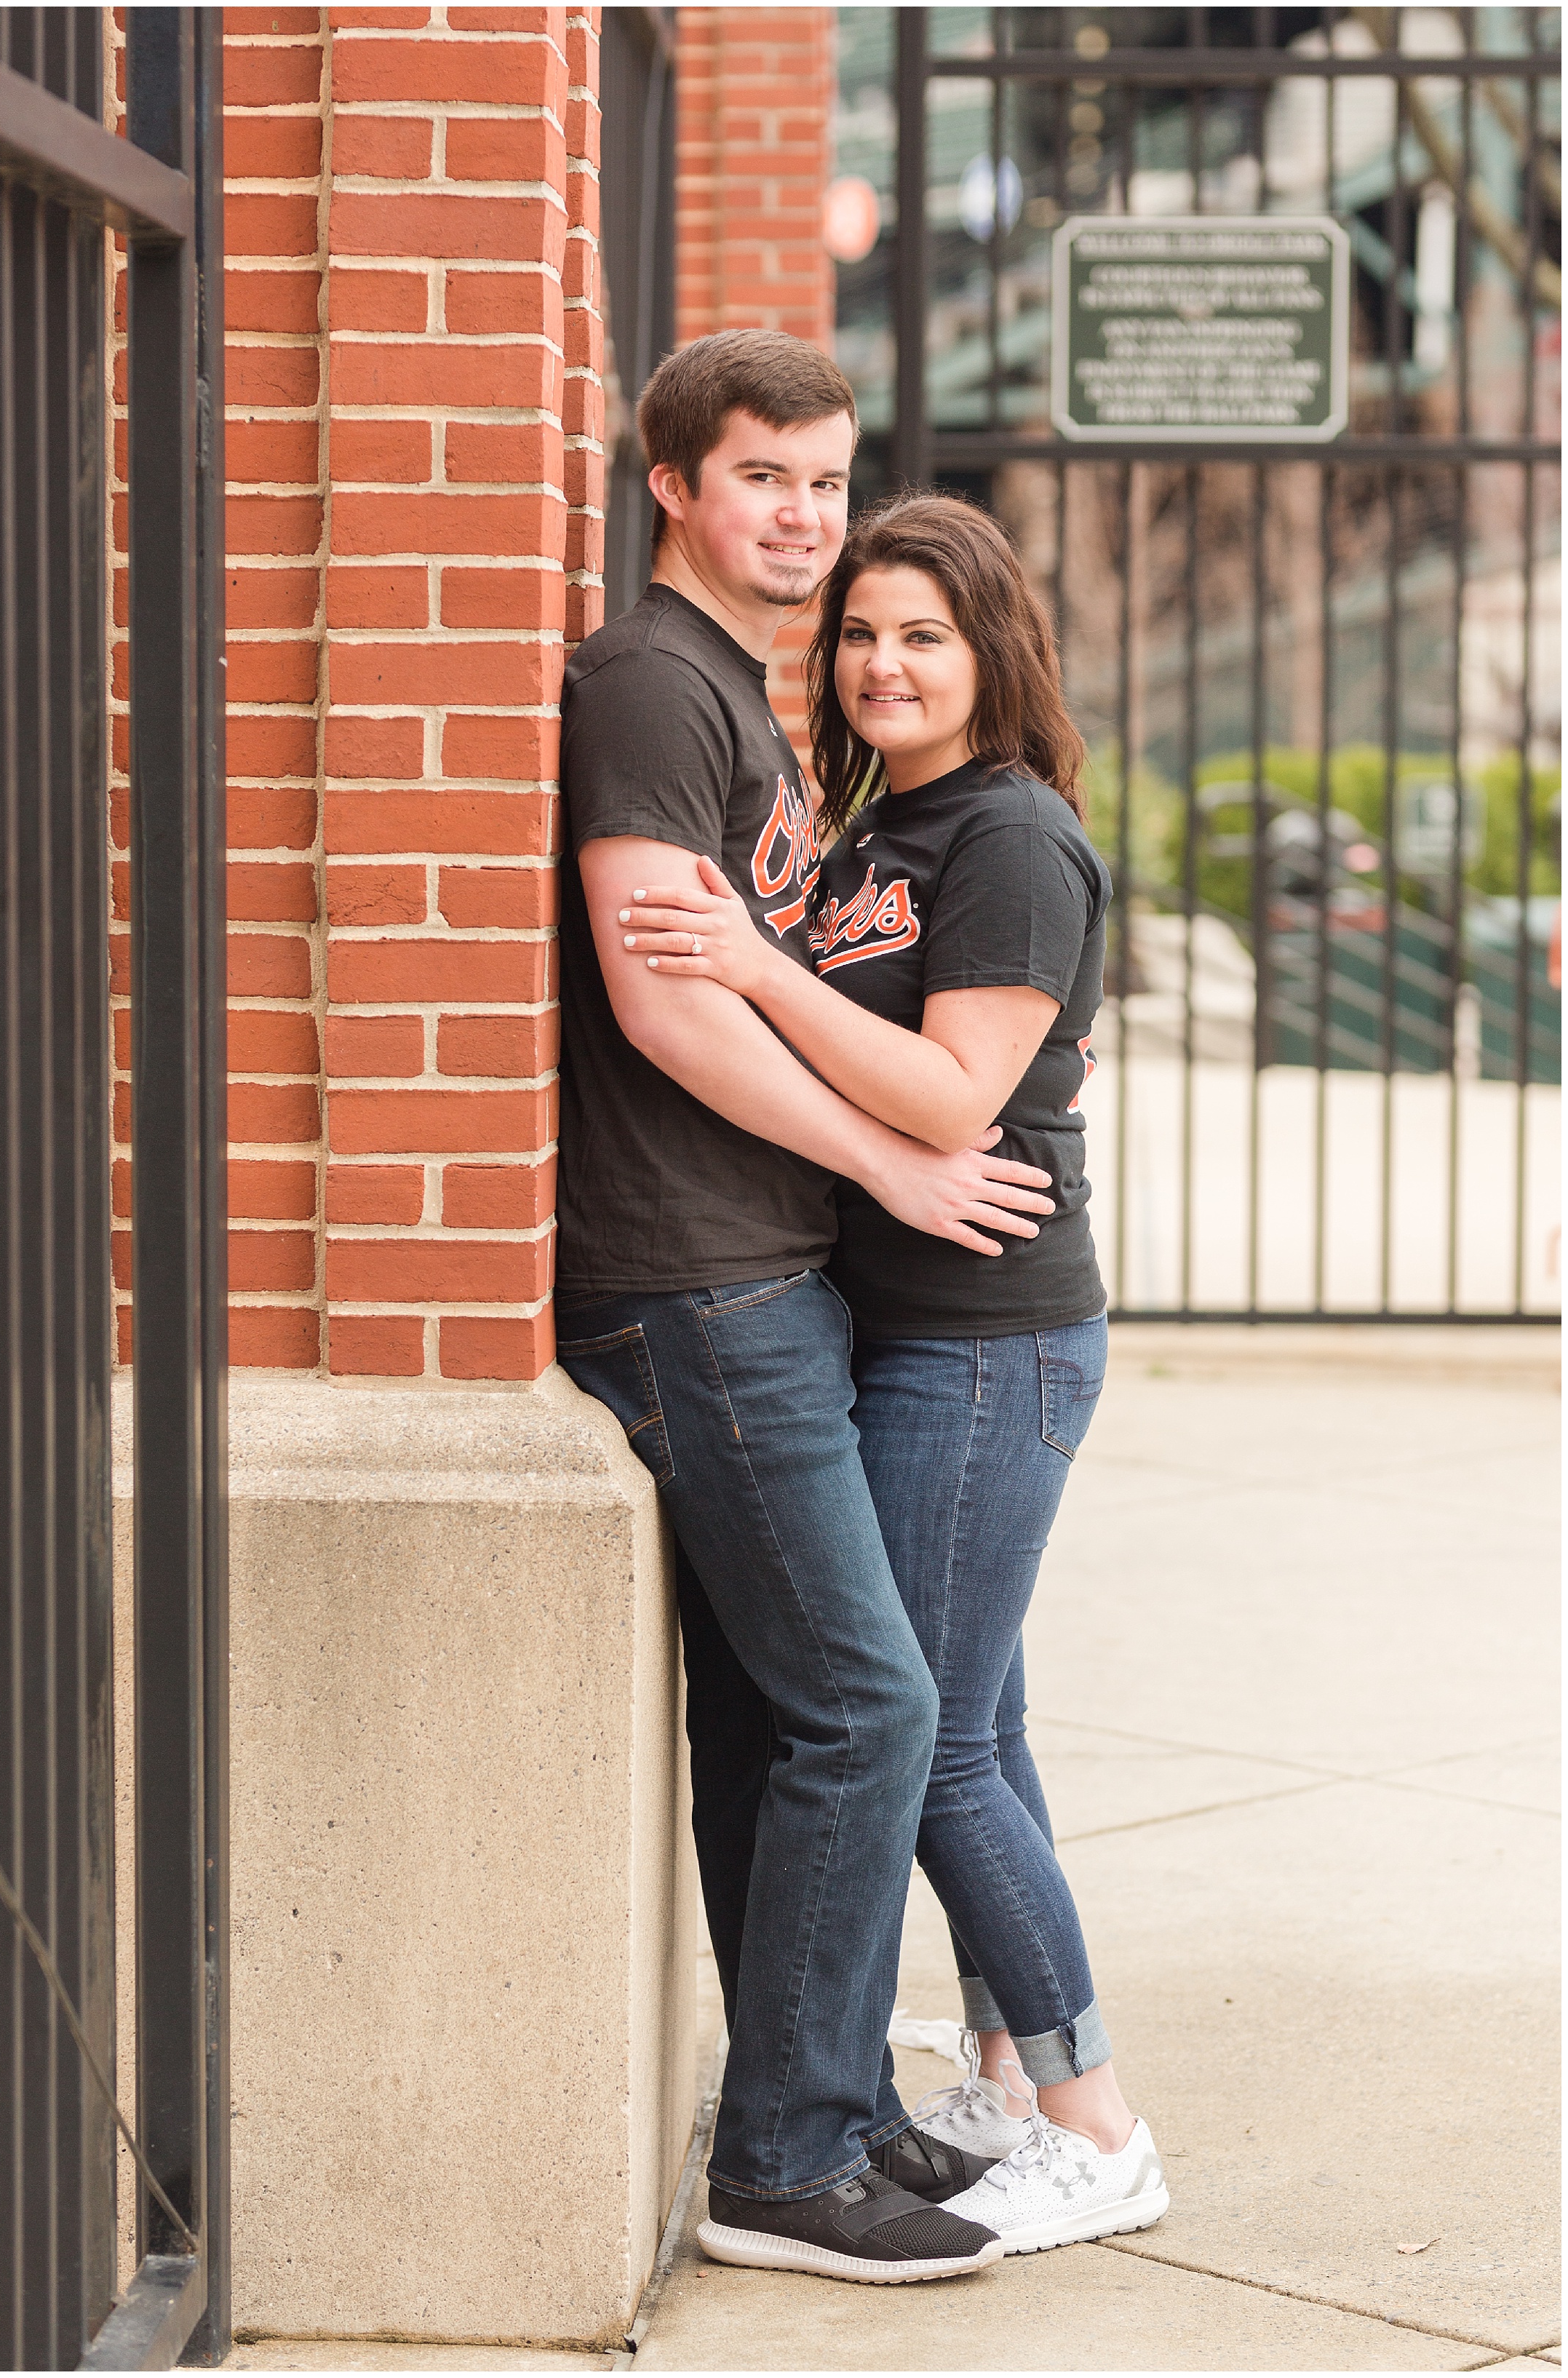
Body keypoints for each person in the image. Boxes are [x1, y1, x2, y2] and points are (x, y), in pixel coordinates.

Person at [554, 333, 1059, 2285]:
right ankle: (781, 2157)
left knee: (786, 1712)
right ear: (672, 478)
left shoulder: (747, 706)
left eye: (825, 479)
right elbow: (665, 997)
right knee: (874, 1699)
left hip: (763, 1275)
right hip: (694, 1278)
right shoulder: (643, 683)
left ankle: (824, 2103)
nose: (801, 515)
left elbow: (757, 963)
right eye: (763, 473)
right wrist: (889, 1163)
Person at [616, 491, 1169, 2256]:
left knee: (919, 1744)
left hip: (985, 1342)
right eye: (860, 632)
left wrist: (760, 970)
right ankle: (1011, 2082)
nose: (882, 662)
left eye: (922, 633)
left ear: (991, 650)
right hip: (904, 1331)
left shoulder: (1005, 835)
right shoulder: (883, 823)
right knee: (971, 1723)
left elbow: (949, 1096)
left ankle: (1094, 2122)